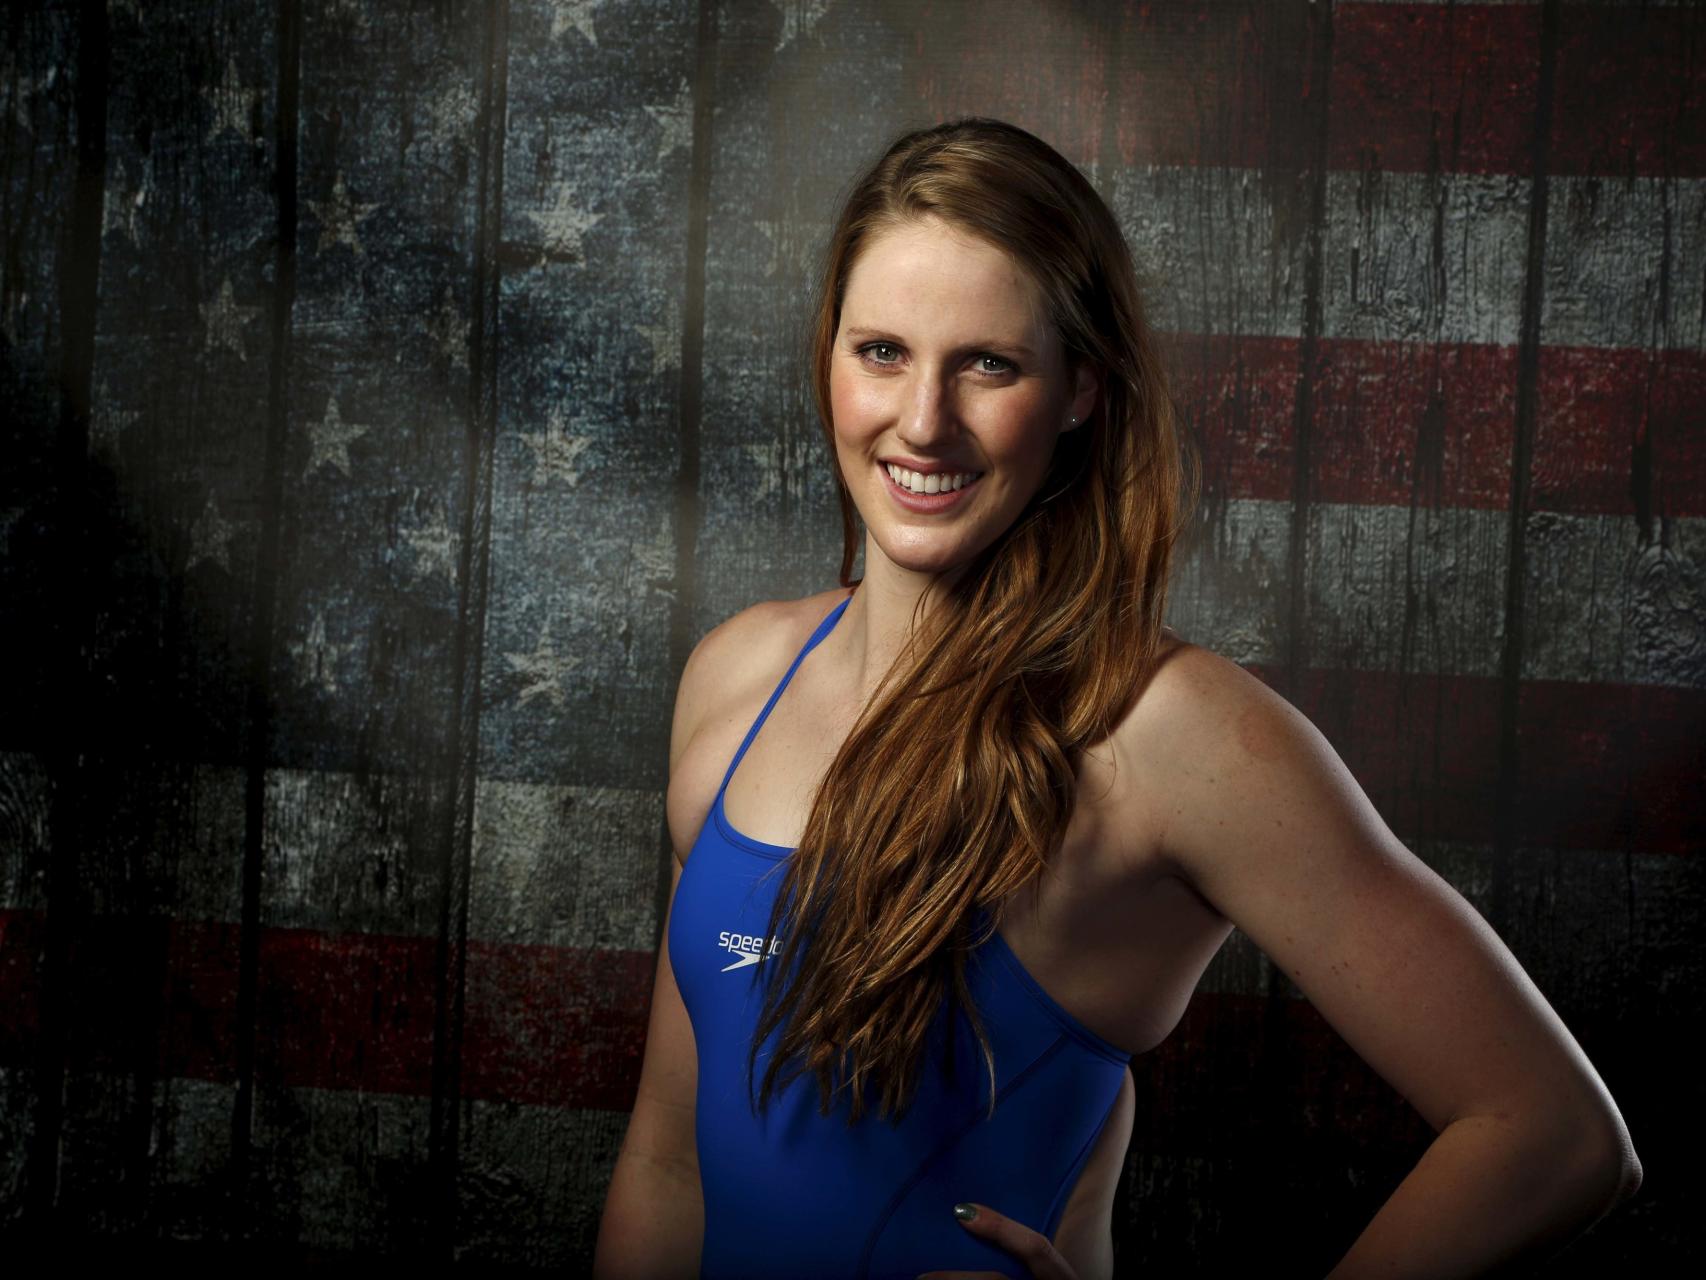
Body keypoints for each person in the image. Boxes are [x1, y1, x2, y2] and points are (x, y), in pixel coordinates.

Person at [592, 118, 1641, 1280]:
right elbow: (666, 1164)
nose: (922, 419)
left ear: (1082, 387)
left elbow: (1550, 1134)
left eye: (988, 362)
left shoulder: (1167, 734)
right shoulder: (735, 675)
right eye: (880, 351)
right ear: (827, 357)